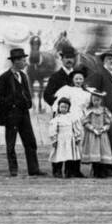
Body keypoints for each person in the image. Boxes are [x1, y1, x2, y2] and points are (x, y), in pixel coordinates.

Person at [0, 47, 42, 177]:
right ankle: (13, 170)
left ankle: (34, 169)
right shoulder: (4, 78)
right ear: (15, 61)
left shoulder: (23, 76)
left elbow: (26, 92)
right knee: (11, 143)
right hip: (11, 115)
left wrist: (28, 102)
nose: (25, 63)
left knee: (30, 142)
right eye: (23, 60)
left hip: (24, 114)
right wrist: (12, 103)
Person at [43, 46, 79, 177]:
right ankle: (57, 169)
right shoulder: (56, 77)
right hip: (61, 116)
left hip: (75, 115)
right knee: (58, 143)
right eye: (66, 58)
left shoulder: (78, 76)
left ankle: (73, 170)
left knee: (74, 142)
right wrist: (59, 108)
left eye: (71, 58)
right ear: (62, 59)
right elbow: (47, 95)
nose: (69, 60)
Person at [80, 87, 112, 178]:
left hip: (102, 134)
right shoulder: (89, 110)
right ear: (91, 100)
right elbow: (85, 122)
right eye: (94, 100)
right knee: (94, 151)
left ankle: (102, 171)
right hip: (92, 134)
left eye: (98, 100)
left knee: (102, 151)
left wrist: (103, 129)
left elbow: (108, 122)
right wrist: (93, 129)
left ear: (101, 100)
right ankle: (95, 170)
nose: (96, 102)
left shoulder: (104, 110)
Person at [48, 96, 83, 179]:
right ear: (59, 107)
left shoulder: (72, 118)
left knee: (69, 156)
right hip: (60, 140)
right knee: (58, 156)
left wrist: (77, 138)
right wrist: (54, 140)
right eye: (62, 107)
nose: (64, 109)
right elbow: (53, 130)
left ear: (68, 108)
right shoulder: (56, 119)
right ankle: (57, 171)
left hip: (70, 140)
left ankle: (69, 172)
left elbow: (76, 128)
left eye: (66, 107)